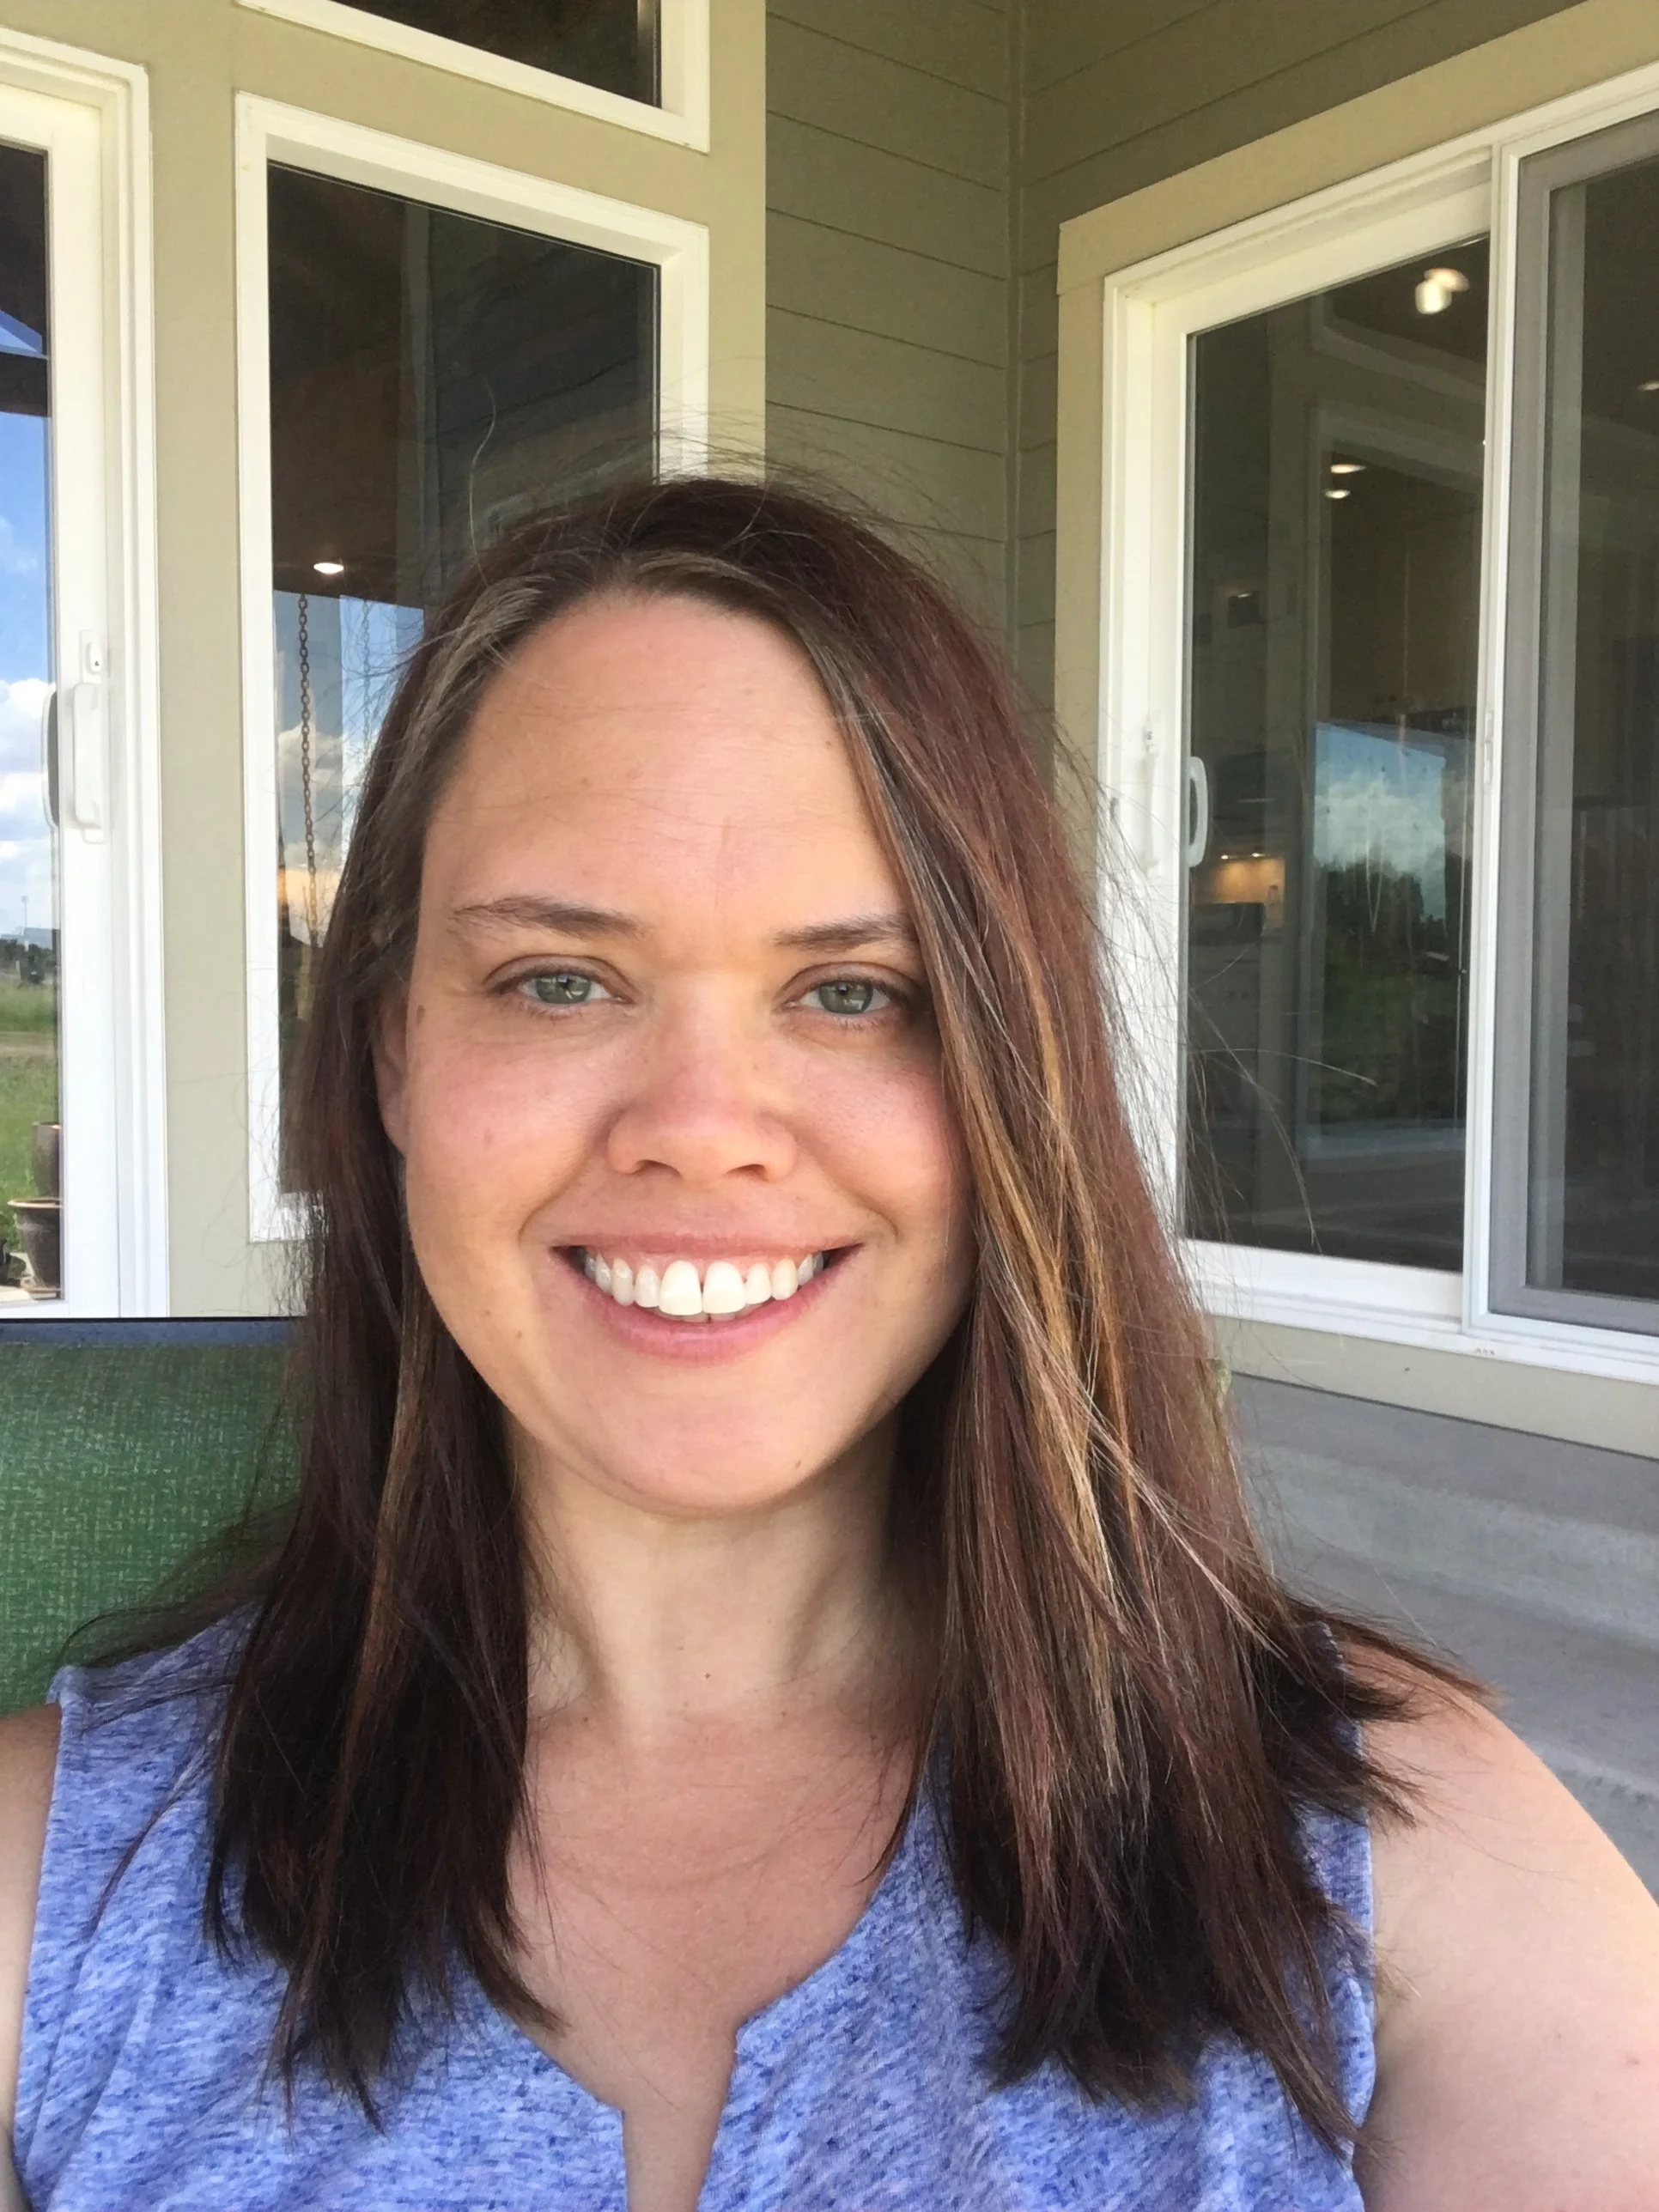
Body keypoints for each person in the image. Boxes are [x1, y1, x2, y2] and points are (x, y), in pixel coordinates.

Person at [0, 477, 1656, 2212]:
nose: (702, 1130)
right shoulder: (57, 1889)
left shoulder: (1403, 1862)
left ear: (1012, 1077)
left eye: (854, 991)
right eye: (559, 978)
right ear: (392, 1057)